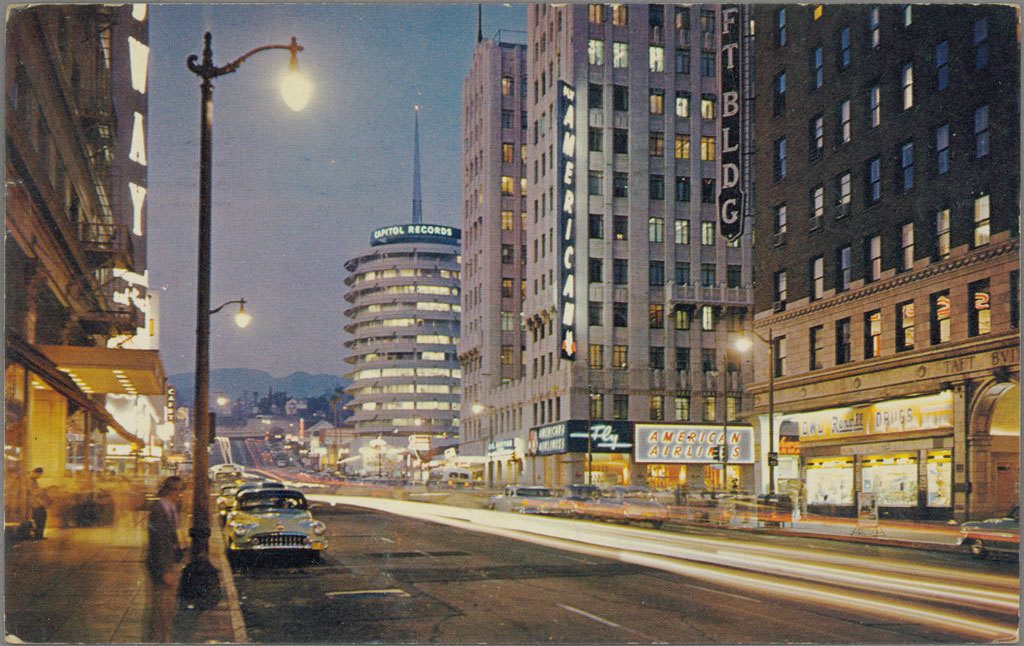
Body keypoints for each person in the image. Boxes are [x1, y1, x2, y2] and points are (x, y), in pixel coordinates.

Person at [145, 476, 185, 642]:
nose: (180, 495)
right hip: (162, 567)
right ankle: (160, 641)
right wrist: (166, 569)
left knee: (166, 610)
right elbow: (159, 542)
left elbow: (173, 535)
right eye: (179, 491)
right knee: (162, 610)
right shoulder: (159, 510)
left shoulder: (171, 508)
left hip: (170, 563)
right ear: (172, 490)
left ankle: (164, 639)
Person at [28, 467, 50, 540]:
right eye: (39, 475)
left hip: (38, 504)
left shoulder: (33, 480)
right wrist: (43, 490)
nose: (39, 476)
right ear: (35, 473)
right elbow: (33, 492)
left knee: (41, 519)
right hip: (35, 504)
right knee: (39, 519)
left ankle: (39, 535)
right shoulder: (30, 481)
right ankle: (37, 536)